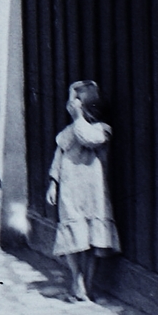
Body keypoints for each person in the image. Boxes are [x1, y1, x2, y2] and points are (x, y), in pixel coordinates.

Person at [48, 80, 119, 302]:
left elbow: (87, 138)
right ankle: (76, 278)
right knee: (73, 235)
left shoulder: (102, 129)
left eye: (76, 100)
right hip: (70, 189)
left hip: (92, 192)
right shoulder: (69, 130)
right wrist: (53, 182)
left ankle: (88, 282)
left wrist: (78, 118)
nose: (71, 104)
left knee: (90, 238)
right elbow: (59, 155)